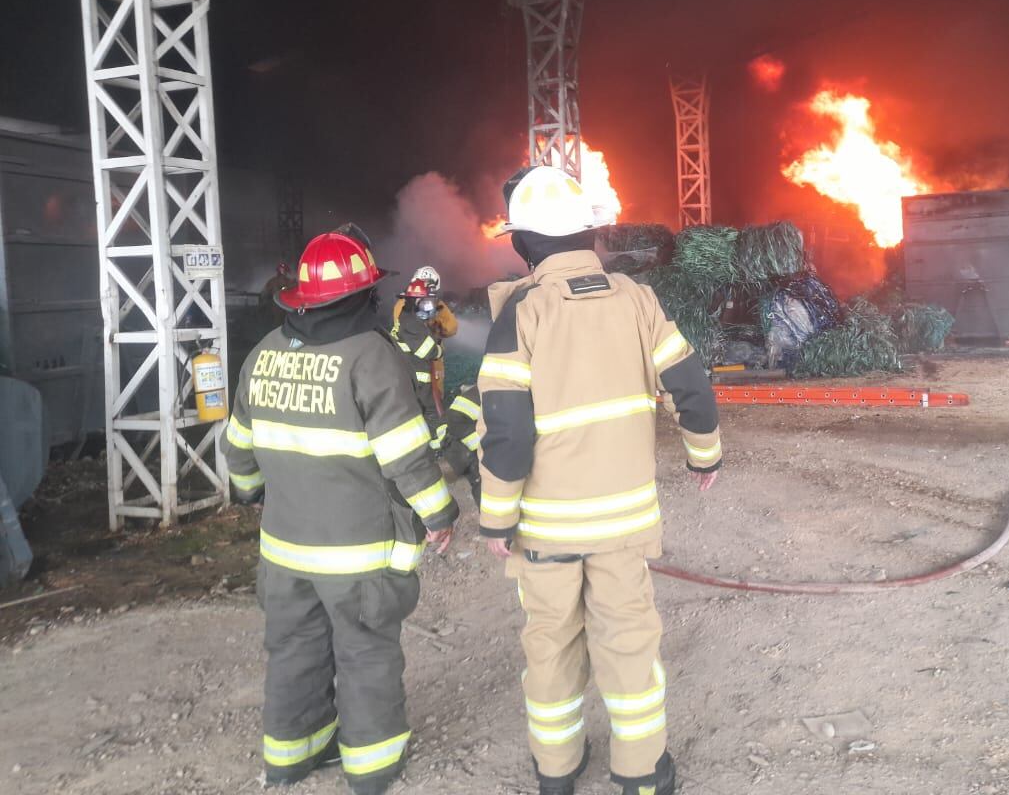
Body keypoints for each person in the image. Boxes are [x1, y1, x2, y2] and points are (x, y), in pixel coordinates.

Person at [476, 166, 723, 795]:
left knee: (551, 649)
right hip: (621, 527)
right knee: (628, 644)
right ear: (592, 231)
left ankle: (556, 773)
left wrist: (497, 520)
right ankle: (642, 775)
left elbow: (505, 432)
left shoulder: (520, 312)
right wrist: (705, 457)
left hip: (545, 531)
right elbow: (690, 386)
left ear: (521, 244)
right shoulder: (637, 299)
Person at [220, 228, 459, 795]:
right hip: (356, 555)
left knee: (294, 650)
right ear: (361, 296)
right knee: (365, 652)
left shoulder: (264, 353)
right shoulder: (371, 357)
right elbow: (405, 454)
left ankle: (291, 757)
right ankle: (372, 767)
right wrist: (440, 514)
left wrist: (253, 490)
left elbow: (239, 456)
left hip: (282, 552)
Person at [390, 266, 456, 416]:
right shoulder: (408, 315)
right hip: (419, 376)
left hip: (422, 374)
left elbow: (452, 328)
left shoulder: (413, 310)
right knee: (430, 410)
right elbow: (431, 346)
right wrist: (438, 348)